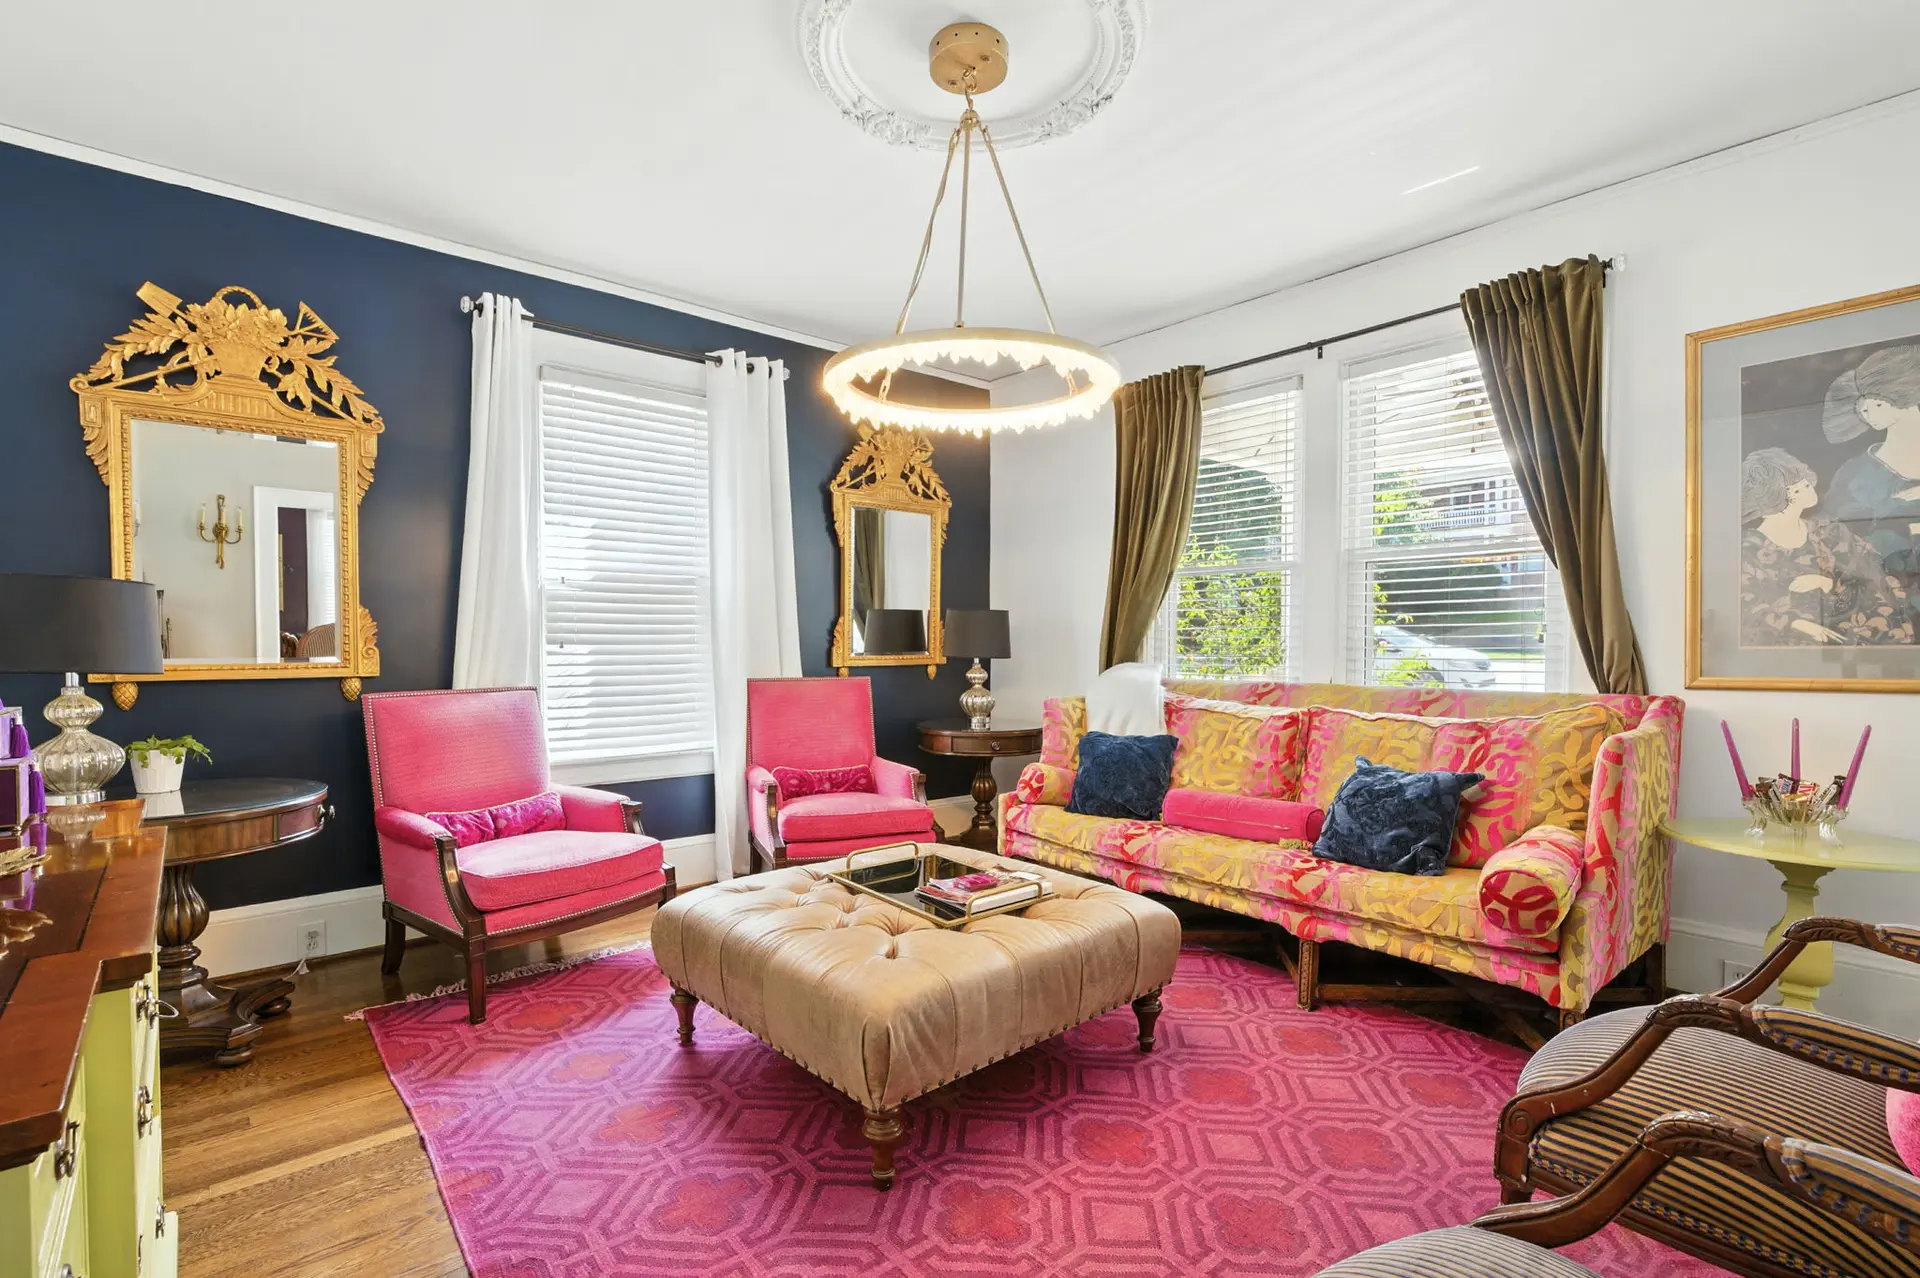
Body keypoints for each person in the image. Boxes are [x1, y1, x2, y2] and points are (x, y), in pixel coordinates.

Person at [1739, 447, 1911, 646]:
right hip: (1788, 649)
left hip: (1849, 640)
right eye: (1797, 489)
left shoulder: (1830, 533)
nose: (1808, 489)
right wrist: (1796, 624)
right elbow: (1746, 609)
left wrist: (1828, 584)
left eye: (1805, 483)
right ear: (1773, 497)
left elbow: (1876, 577)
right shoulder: (1748, 548)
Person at [1822, 343, 1920, 628]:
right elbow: (1832, 539)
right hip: (1884, 605)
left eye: (1877, 403)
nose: (1868, 413)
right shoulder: (1855, 474)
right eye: (1863, 407)